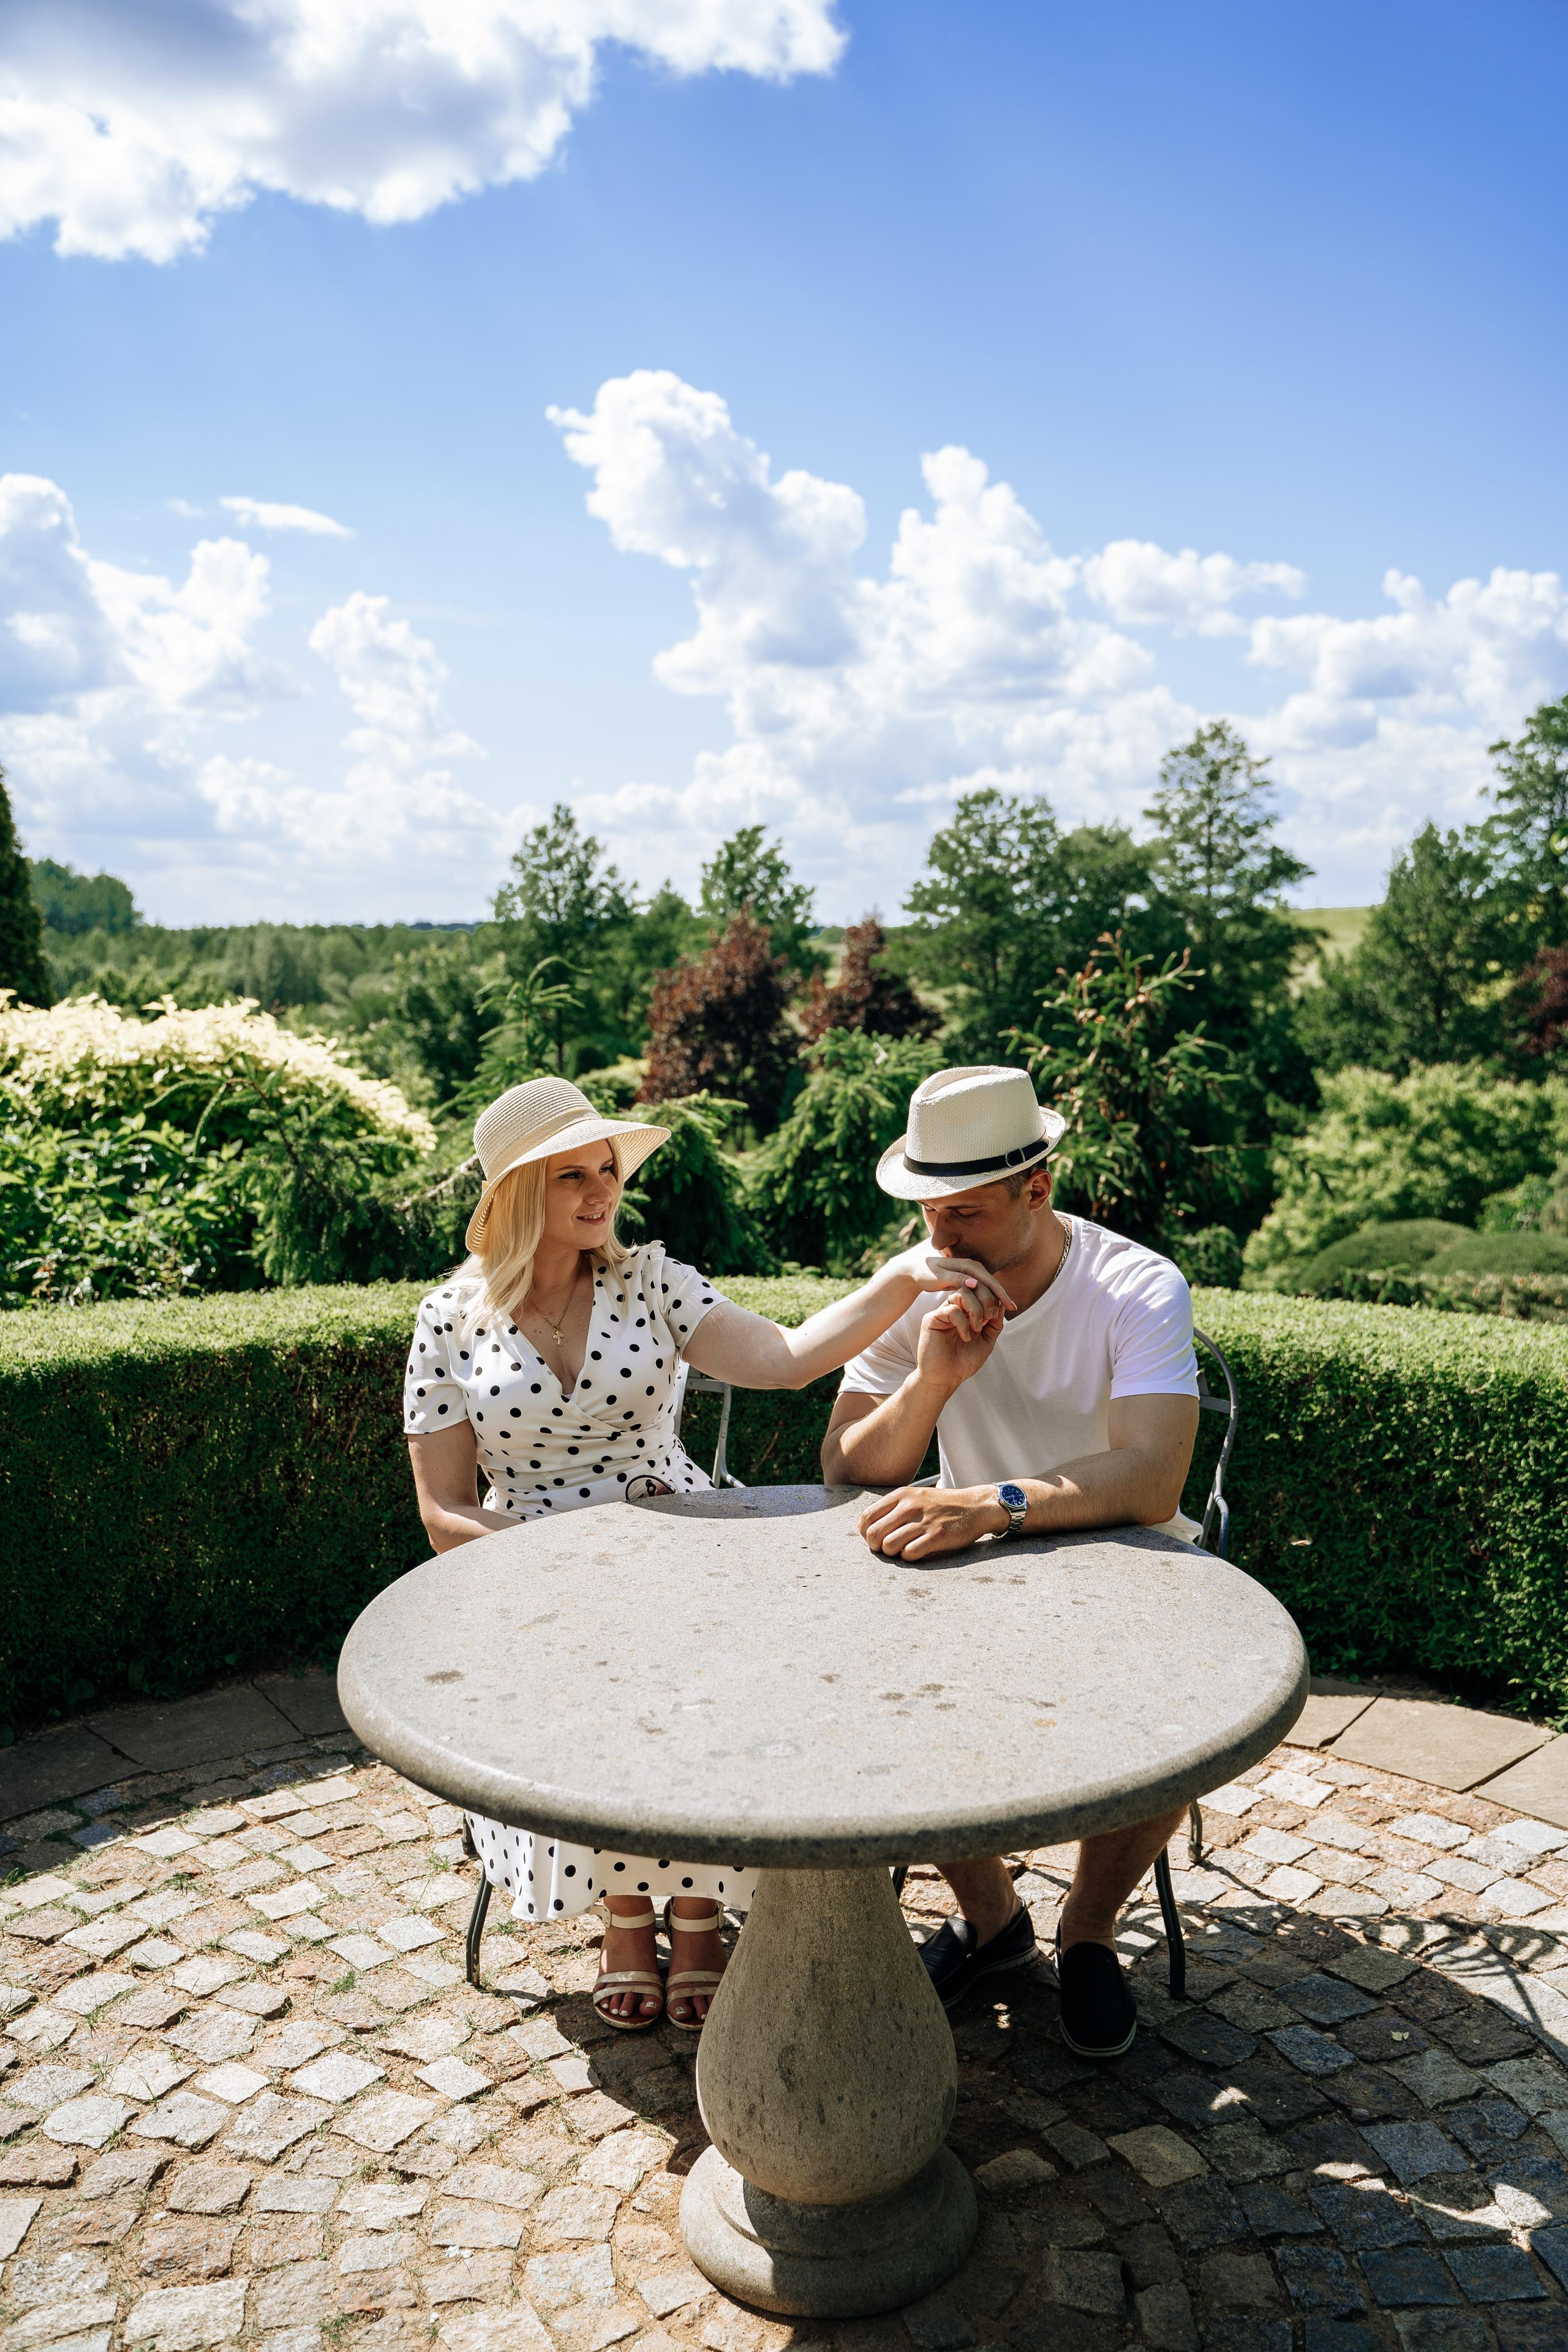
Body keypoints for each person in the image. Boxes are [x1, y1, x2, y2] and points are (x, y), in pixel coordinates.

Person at [404, 1073, 1009, 2035]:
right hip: (529, 1568)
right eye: (573, 1178)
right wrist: (556, 1574)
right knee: (579, 1692)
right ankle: (624, 1917)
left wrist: (899, 1281)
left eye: (607, 1170)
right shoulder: (447, 1319)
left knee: (733, 1678)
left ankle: (692, 1920)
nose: (602, 1192)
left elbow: (785, 1359)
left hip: (684, 1544)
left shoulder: (651, 1280)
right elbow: (443, 1512)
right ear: (519, 1194)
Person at [821, 1063, 1202, 2059]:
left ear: (1039, 1187)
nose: (941, 1244)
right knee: (871, 1689)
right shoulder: (922, 1288)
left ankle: (1087, 1928)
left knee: (1182, 1712)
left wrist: (994, 1503)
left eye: (968, 1218)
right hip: (971, 1583)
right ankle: (994, 1926)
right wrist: (934, 1382)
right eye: (929, 1217)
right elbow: (848, 1464)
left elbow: (1155, 1477)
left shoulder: (1137, 1286)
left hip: (1128, 1572)